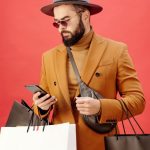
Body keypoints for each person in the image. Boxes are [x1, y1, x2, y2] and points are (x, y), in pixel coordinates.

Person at [32, 0, 145, 150]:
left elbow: (138, 101)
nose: (60, 29)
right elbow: (40, 107)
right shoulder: (49, 57)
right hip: (59, 144)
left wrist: (100, 107)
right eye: (56, 23)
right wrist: (42, 107)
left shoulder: (116, 51)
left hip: (100, 144)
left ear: (85, 16)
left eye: (65, 21)